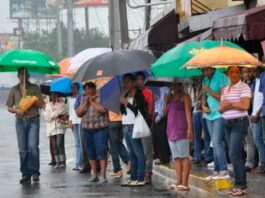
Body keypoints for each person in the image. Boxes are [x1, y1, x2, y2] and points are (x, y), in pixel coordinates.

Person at [6, 67, 44, 183]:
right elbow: (9, 107)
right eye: (21, 74)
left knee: (33, 147)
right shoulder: (14, 89)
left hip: (33, 120)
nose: (23, 76)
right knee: (23, 149)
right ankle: (25, 174)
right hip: (20, 121)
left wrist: (31, 99)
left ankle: (35, 172)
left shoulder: (35, 88)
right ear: (18, 76)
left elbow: (41, 105)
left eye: (25, 74)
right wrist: (17, 111)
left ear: (28, 76)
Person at [219, 66, 251, 196]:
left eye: (237, 71)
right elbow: (220, 109)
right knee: (233, 154)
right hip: (227, 123)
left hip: (239, 122)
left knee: (234, 153)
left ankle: (241, 185)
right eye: (231, 72)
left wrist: (229, 105)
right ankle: (237, 184)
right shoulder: (226, 89)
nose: (234, 74)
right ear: (227, 74)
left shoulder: (244, 87)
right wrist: (225, 107)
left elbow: (245, 106)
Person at [75, 82, 109, 184]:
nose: (87, 90)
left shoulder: (102, 96)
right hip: (86, 128)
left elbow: (103, 110)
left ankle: (103, 174)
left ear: (94, 89)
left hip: (100, 128)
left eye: (89, 88)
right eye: (86, 89)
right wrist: (86, 103)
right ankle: (94, 175)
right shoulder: (82, 98)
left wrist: (93, 102)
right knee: (90, 152)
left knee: (102, 151)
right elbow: (78, 113)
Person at [164, 82, 193, 191]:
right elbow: (165, 113)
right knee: (176, 157)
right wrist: (165, 102)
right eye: (173, 85)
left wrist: (190, 128)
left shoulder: (185, 96)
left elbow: (188, 112)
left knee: (184, 156)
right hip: (171, 129)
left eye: (177, 85)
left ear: (181, 85)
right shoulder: (169, 97)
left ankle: (185, 183)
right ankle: (178, 181)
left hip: (181, 128)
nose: (175, 87)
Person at [202, 68, 229, 180]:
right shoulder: (205, 79)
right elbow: (204, 97)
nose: (203, 72)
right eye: (202, 70)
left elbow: (222, 98)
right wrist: (203, 106)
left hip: (219, 114)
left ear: (211, 68)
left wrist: (209, 90)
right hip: (209, 115)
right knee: (214, 143)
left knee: (217, 142)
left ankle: (223, 170)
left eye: (205, 70)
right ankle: (216, 171)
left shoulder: (221, 77)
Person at [120, 73, 147, 186]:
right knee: (131, 153)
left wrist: (127, 103)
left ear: (132, 82)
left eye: (127, 81)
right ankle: (133, 177)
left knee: (138, 152)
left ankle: (141, 177)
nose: (125, 84)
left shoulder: (138, 93)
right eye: (124, 82)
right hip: (126, 124)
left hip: (134, 125)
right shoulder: (125, 93)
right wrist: (122, 101)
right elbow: (123, 111)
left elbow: (139, 111)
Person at [135, 71, 154, 184]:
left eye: (141, 79)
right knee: (137, 151)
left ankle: (148, 173)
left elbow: (150, 109)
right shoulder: (131, 92)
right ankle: (139, 172)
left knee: (147, 150)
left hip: (145, 124)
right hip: (134, 124)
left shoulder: (148, 92)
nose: (139, 81)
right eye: (137, 79)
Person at [43, 92, 68, 169]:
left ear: (58, 95)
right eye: (52, 95)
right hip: (51, 127)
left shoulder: (62, 104)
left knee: (59, 143)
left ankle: (63, 162)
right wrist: (55, 114)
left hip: (59, 126)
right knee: (54, 145)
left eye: (55, 95)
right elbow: (46, 117)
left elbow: (62, 112)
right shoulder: (48, 104)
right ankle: (57, 162)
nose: (53, 96)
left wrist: (52, 114)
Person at [192, 77, 213, 165]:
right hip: (196, 112)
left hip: (204, 112)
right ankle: (197, 156)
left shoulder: (207, 86)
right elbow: (194, 101)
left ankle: (208, 156)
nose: (197, 79)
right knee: (197, 136)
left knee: (207, 135)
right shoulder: (196, 87)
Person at [242, 67, 258, 171]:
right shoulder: (244, 85)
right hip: (245, 115)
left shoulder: (255, 83)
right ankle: (249, 162)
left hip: (254, 115)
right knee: (248, 140)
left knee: (257, 140)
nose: (247, 74)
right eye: (244, 72)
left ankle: (257, 162)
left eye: (249, 71)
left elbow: (253, 98)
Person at [250, 67, 265, 174]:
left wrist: (258, 113)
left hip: (259, 115)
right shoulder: (256, 82)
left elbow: (263, 99)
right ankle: (260, 163)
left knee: (258, 139)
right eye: (252, 71)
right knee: (257, 140)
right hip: (254, 114)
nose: (253, 73)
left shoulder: (262, 79)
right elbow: (255, 100)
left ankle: (262, 164)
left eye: (255, 71)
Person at [153, 87, 171, 165]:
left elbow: (164, 104)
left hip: (162, 115)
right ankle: (158, 156)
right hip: (155, 113)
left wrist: (159, 116)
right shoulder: (155, 88)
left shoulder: (165, 89)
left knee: (162, 137)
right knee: (156, 137)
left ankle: (164, 157)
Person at [108, 111, 130, 177]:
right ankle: (128, 161)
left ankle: (117, 169)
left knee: (113, 147)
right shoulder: (119, 100)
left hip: (112, 121)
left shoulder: (108, 100)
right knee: (119, 143)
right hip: (121, 121)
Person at [68, 83, 82, 171]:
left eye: (75, 88)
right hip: (74, 122)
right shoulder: (69, 99)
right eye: (72, 88)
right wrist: (70, 121)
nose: (74, 89)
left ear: (78, 88)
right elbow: (70, 111)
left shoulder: (81, 97)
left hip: (80, 120)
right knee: (77, 143)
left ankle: (80, 162)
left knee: (81, 143)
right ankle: (77, 163)